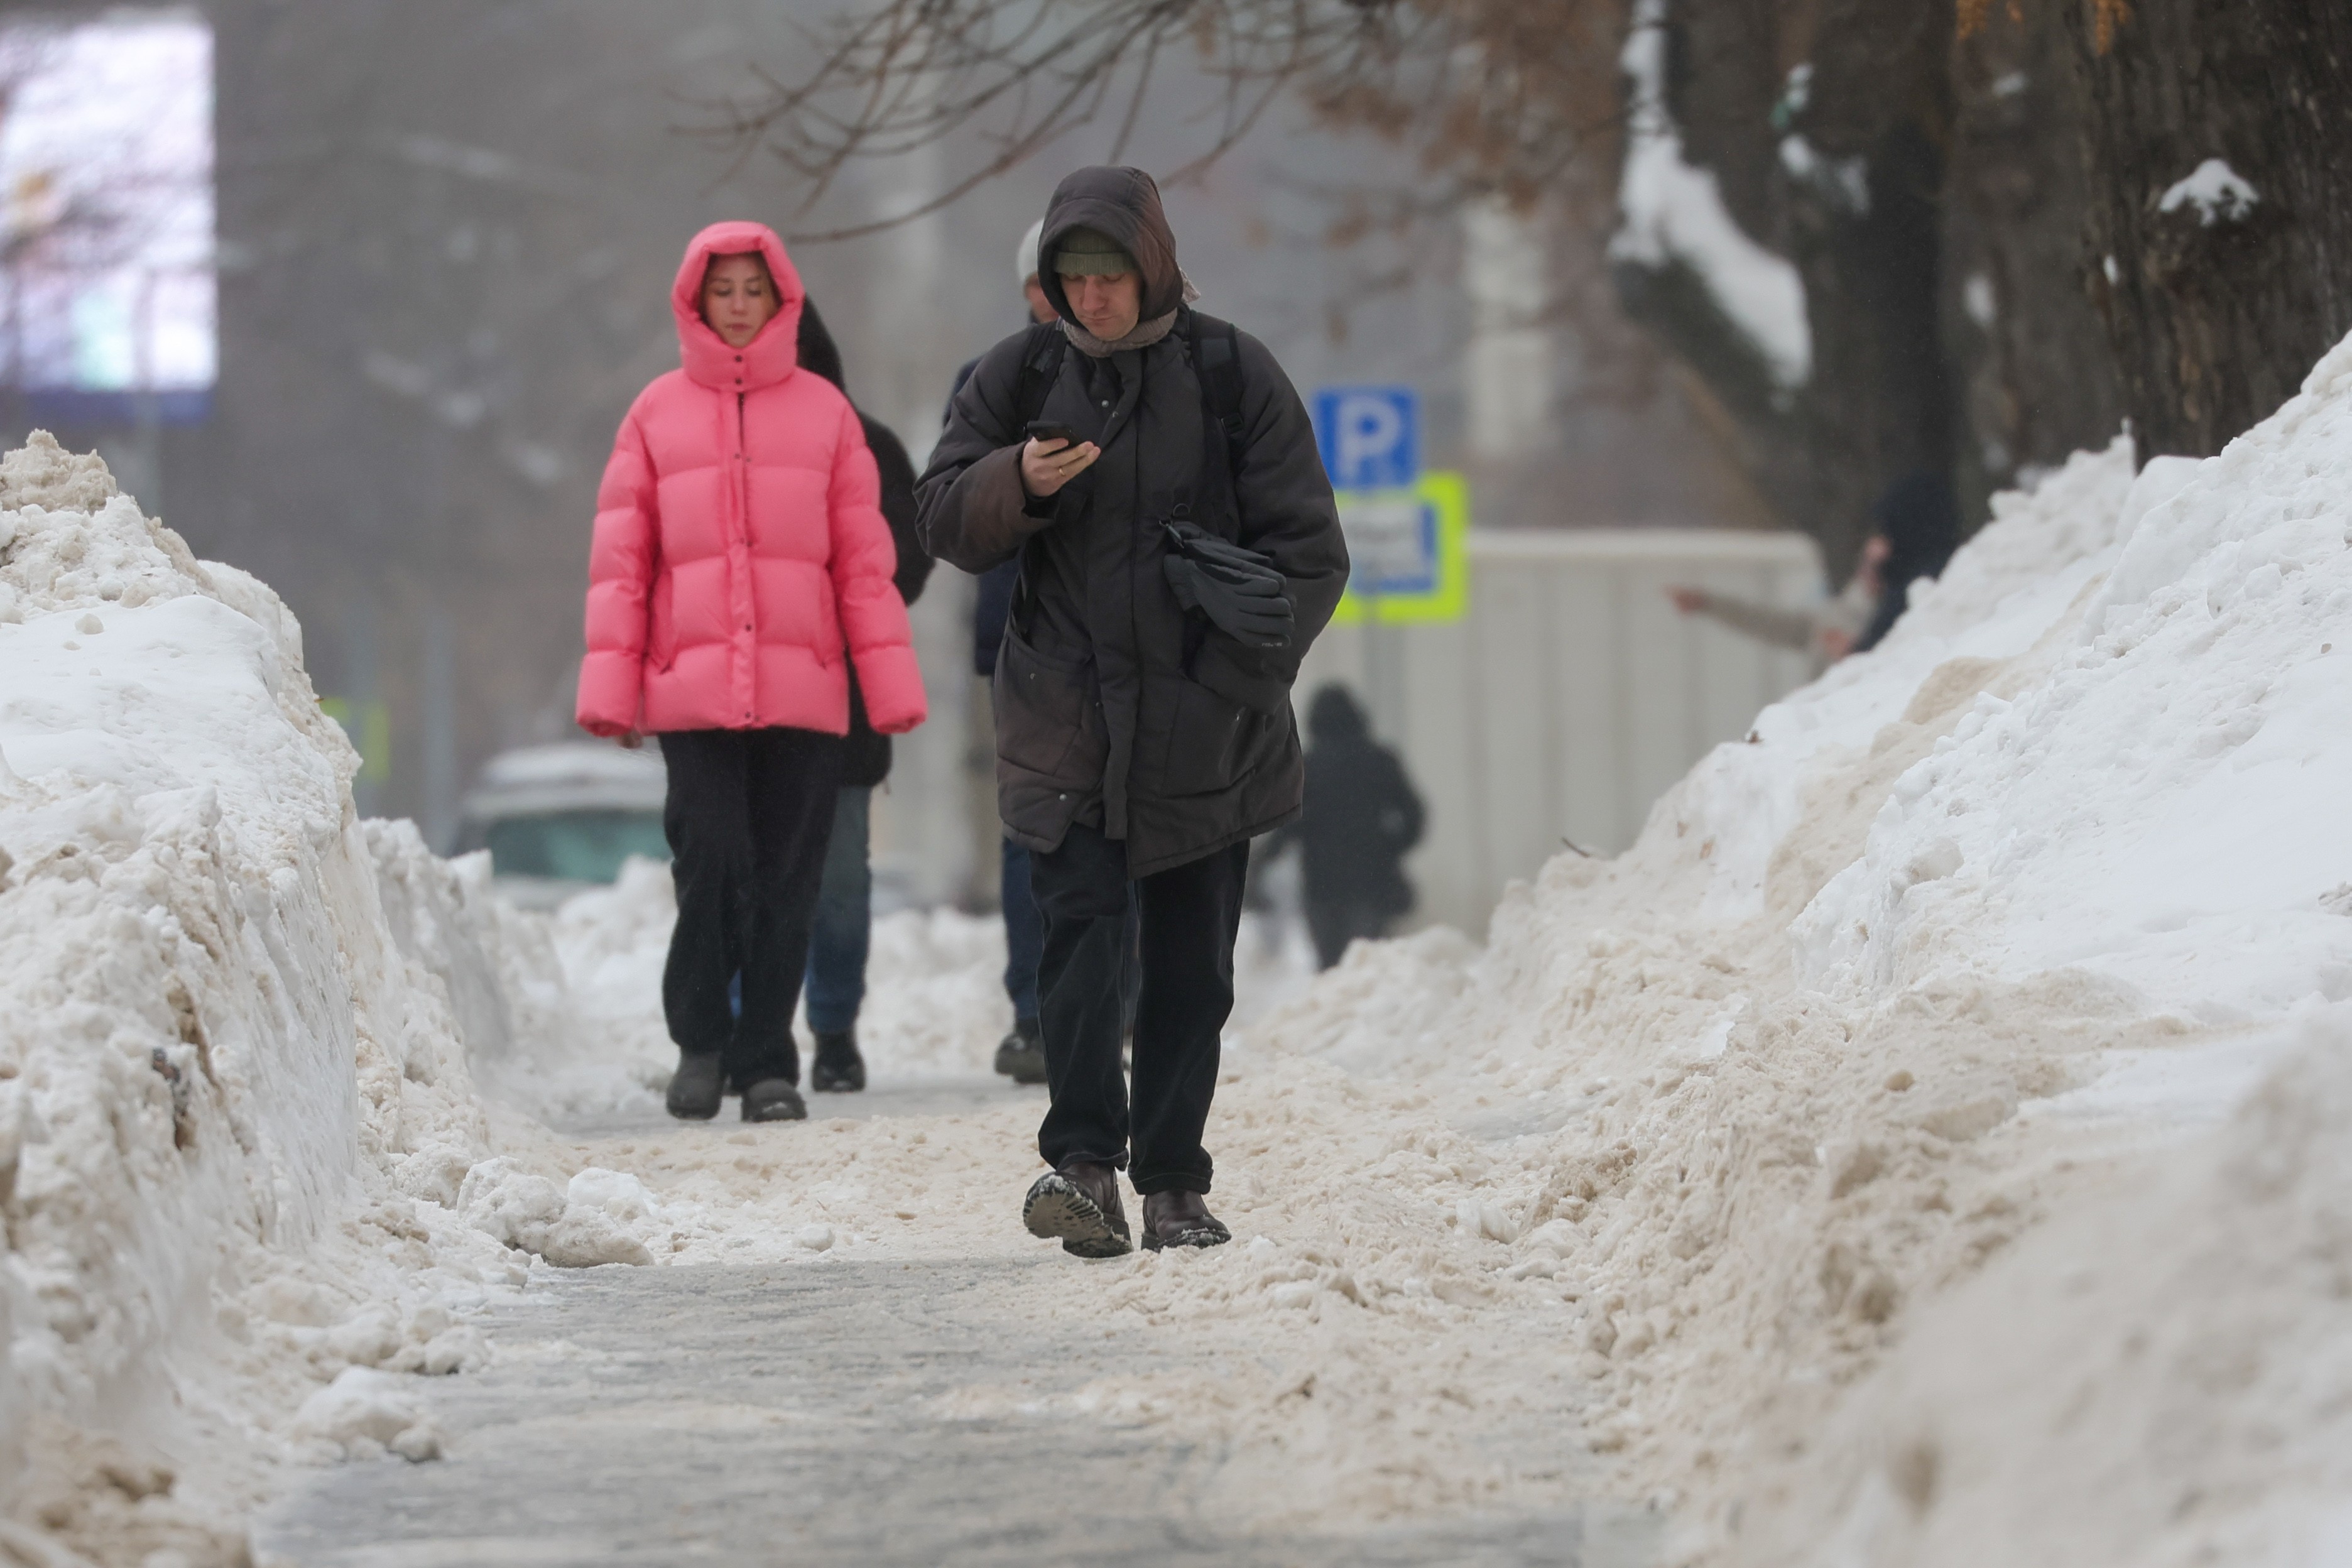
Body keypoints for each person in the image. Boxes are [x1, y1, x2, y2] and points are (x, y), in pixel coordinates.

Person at [918, 166, 1349, 1257]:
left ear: (1149, 267)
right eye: (1073, 277)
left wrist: (1235, 688)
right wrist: (1019, 476)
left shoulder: (1228, 371)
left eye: (1110, 275)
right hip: (1065, 724)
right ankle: (1080, 1168)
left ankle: (1172, 1182)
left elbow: (1308, 552)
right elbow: (942, 518)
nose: (1093, 297)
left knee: (1188, 968)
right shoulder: (1016, 377)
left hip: (1208, 726)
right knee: (1079, 950)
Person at [577, 222, 927, 1124]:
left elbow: (863, 566)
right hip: (690, 691)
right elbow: (624, 564)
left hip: (805, 693)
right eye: (722, 291)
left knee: (786, 877)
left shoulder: (827, 415)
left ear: (782, 303)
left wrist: (887, 690)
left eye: (753, 292)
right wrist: (611, 693)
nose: (738, 307)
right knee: (715, 861)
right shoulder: (655, 413)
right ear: (696, 301)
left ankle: (769, 1060)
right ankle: (701, 1043)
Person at [795, 300, 935, 1094]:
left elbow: (912, 558)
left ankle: (834, 1025)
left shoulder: (870, 447)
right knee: (744, 874)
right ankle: (746, 1032)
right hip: (744, 709)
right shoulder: (715, 443)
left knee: (840, 877)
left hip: (843, 700)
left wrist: (839, 595)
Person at [964, 219, 1057, 1085]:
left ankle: (1125, 996)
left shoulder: (1167, 379)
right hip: (1023, 645)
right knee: (1031, 830)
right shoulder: (989, 383)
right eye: (1043, 280)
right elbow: (949, 512)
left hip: (1131, 646)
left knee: (1137, 827)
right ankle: (1032, 1012)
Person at [1276, 685, 1425, 970]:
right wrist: (1392, 848)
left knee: (1331, 969)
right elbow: (1414, 813)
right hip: (1371, 878)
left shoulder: (1306, 768)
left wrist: (1260, 866)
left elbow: (1286, 826)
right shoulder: (1379, 760)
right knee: (1368, 965)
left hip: (1321, 884)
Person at [1667, 534, 1886, 673]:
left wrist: (1857, 651)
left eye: (1880, 565)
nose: (1870, 572)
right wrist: (1708, 603)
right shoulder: (1836, 612)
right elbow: (1767, 622)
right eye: (1867, 562)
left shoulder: (1904, 622)